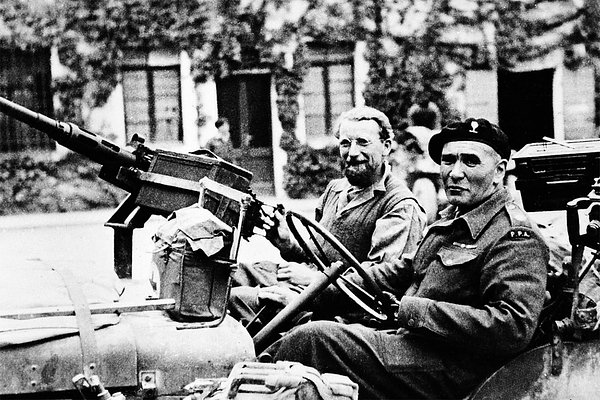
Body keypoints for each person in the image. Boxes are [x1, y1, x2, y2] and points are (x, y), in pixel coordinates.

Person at [264, 117, 550, 399]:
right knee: (294, 328)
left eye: (470, 162)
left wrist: (414, 311)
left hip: (455, 366)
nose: (455, 172)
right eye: (448, 161)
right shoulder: (454, 218)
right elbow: (401, 271)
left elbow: (513, 326)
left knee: (315, 340)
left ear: (499, 171)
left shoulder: (513, 235)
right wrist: (315, 293)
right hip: (414, 344)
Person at [229, 106, 427, 332]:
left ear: (386, 146)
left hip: (340, 309)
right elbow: (319, 253)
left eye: (363, 142)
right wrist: (288, 244)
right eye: (345, 143)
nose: (352, 153)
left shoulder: (399, 204)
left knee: (237, 299)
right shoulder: (335, 189)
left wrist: (316, 280)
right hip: (306, 283)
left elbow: (378, 283)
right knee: (224, 274)